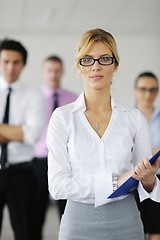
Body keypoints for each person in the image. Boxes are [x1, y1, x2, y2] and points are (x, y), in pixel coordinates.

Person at [46, 28, 160, 240]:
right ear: (78, 66)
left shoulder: (134, 119)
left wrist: (150, 179)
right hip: (77, 223)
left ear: (115, 65)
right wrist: (114, 183)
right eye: (87, 59)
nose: (96, 66)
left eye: (105, 58)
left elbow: (145, 182)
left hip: (126, 221)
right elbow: (58, 186)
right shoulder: (62, 118)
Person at [0, 39, 44, 240]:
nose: (10, 67)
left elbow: (31, 134)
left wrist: (20, 132)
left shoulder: (34, 95)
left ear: (23, 64)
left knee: (26, 232)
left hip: (22, 172)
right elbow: (22, 132)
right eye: (5, 61)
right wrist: (17, 131)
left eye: (16, 62)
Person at [33, 55, 78, 239]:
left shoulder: (74, 99)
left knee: (66, 213)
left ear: (62, 72)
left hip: (67, 163)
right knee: (35, 214)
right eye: (49, 70)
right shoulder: (34, 99)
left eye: (57, 70)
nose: (53, 74)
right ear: (43, 72)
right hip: (39, 162)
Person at [134, 72, 160, 240]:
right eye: (143, 89)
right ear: (135, 90)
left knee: (157, 233)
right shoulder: (127, 119)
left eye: (152, 90)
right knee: (137, 231)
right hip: (134, 184)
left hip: (159, 181)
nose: (148, 94)